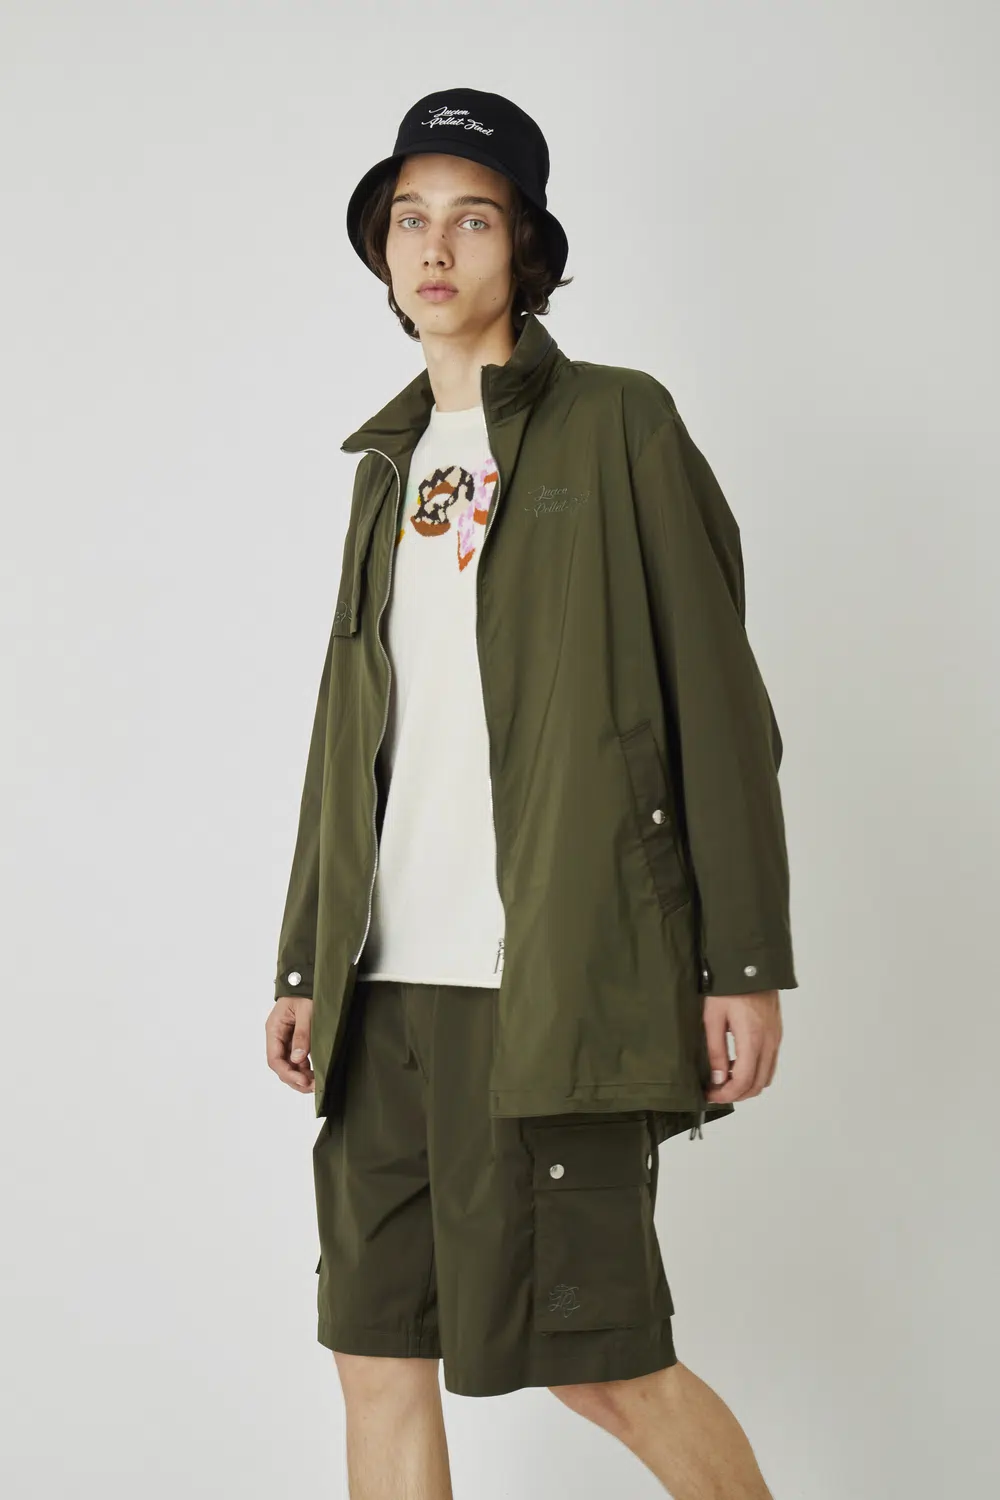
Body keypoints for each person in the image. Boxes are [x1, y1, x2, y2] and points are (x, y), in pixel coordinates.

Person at [265, 86, 796, 1500]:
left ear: (528, 247)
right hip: (386, 1000)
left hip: (553, 986)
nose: (434, 249)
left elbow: (722, 711)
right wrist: (308, 959)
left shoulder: (620, 425)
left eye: (473, 220)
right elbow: (348, 735)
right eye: (409, 220)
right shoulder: (385, 470)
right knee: (375, 1359)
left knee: (600, 1363)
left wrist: (743, 960)